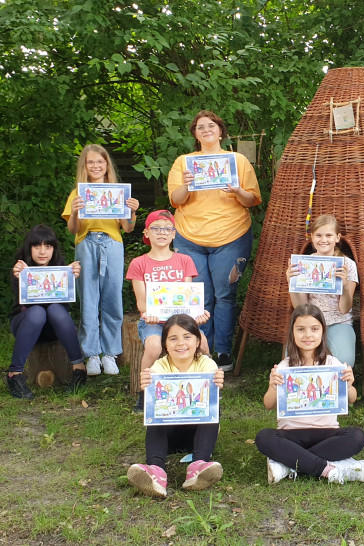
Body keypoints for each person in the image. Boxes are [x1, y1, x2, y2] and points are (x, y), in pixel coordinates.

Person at [167, 110, 262, 372]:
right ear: (195, 134)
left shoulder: (237, 160)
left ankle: (223, 352)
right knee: (199, 298)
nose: (206, 130)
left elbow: (252, 200)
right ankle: (201, 351)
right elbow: (176, 199)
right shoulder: (184, 162)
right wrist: (187, 185)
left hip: (231, 236)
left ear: (221, 131)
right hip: (189, 238)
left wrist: (236, 189)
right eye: (200, 127)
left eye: (211, 126)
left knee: (225, 296)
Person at [255, 303, 364, 485]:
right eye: (301, 329)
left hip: (326, 434)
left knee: (356, 436)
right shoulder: (284, 366)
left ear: (322, 332)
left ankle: (289, 464)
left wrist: (349, 384)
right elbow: (268, 404)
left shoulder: (333, 364)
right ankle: (328, 468)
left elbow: (351, 399)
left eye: (314, 329)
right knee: (264, 437)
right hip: (291, 435)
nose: (308, 335)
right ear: (292, 333)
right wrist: (272, 387)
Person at [126, 314, 224, 498]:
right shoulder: (159, 367)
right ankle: (155, 470)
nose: (181, 343)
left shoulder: (206, 363)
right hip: (168, 436)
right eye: (173, 338)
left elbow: (211, 395)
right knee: (157, 410)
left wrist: (217, 381)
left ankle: (199, 465)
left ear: (197, 341)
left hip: (197, 434)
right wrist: (147, 386)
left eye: (187, 337)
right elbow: (153, 398)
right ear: (165, 344)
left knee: (213, 408)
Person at [62, 144, 140, 376]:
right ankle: (92, 354)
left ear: (107, 166)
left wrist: (132, 212)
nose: (96, 166)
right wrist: (75, 211)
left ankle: (110, 353)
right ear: (84, 166)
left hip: (112, 245)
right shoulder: (78, 193)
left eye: (100, 162)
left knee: (112, 298)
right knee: (88, 298)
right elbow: (72, 228)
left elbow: (128, 228)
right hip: (86, 244)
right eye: (91, 162)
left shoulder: (117, 192)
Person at [126, 210, 211, 412]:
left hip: (180, 321)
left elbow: (188, 297)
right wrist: (149, 314)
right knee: (155, 346)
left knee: (204, 344)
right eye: (156, 228)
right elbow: (141, 302)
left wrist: (196, 315)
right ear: (146, 233)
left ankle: (207, 387)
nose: (161, 232)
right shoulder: (139, 263)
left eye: (167, 228)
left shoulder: (185, 261)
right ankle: (144, 391)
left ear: (174, 234)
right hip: (152, 321)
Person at [7, 225, 86, 399]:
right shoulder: (21, 269)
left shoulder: (63, 270)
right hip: (26, 324)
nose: (42, 251)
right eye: (37, 246)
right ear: (29, 248)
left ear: (53, 249)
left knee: (55, 310)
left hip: (54, 328)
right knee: (37, 312)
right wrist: (17, 277)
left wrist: (72, 278)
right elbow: (22, 302)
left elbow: (64, 308)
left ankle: (79, 369)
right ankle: (14, 375)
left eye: (48, 246)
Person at [285, 215, 358, 367]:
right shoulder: (305, 263)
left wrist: (344, 286)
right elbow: (301, 307)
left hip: (338, 321)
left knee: (344, 361)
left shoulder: (347, 265)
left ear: (337, 238)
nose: (323, 240)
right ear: (312, 237)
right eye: (318, 235)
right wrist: (292, 284)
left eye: (328, 235)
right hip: (311, 321)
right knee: (294, 362)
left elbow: (345, 309)